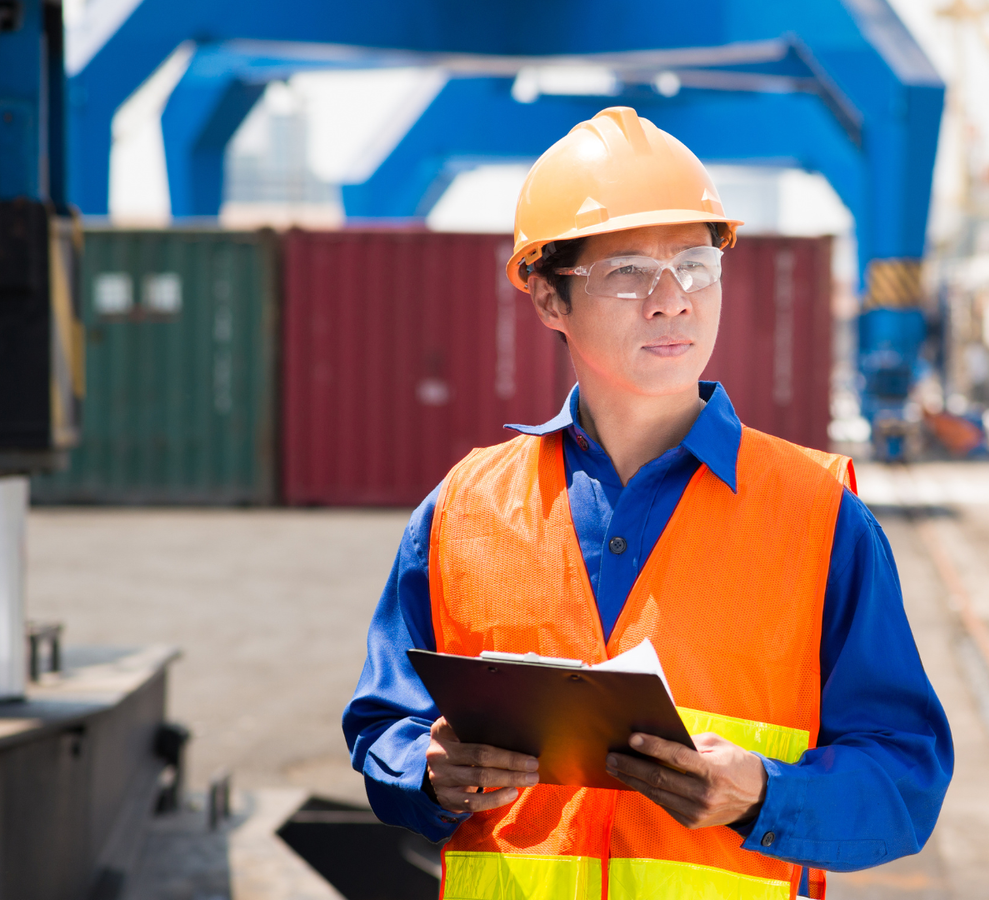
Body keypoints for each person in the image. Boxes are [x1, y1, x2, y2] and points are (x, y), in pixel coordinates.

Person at [343, 107, 953, 899]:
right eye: (626, 271)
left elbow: (905, 774)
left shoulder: (820, 516)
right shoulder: (462, 512)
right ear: (547, 298)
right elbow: (382, 723)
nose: (673, 300)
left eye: (695, 264)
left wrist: (765, 794)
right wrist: (426, 771)